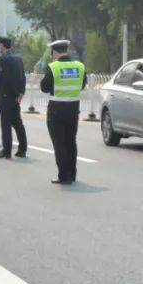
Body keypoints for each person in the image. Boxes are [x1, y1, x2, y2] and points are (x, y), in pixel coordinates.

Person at [40, 40, 85, 184]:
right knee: (71, 141)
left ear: (55, 52)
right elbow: (82, 85)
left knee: (59, 143)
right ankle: (72, 174)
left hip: (56, 109)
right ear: (66, 50)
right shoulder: (80, 66)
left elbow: (44, 87)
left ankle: (63, 175)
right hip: (73, 109)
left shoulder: (53, 67)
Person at [0, 35, 27, 159]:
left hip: (6, 95)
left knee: (5, 124)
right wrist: (20, 92)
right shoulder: (18, 58)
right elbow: (22, 77)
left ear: (2, 46)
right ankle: (22, 149)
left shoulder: (4, 60)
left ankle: (6, 150)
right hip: (15, 96)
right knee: (17, 122)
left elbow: (2, 79)